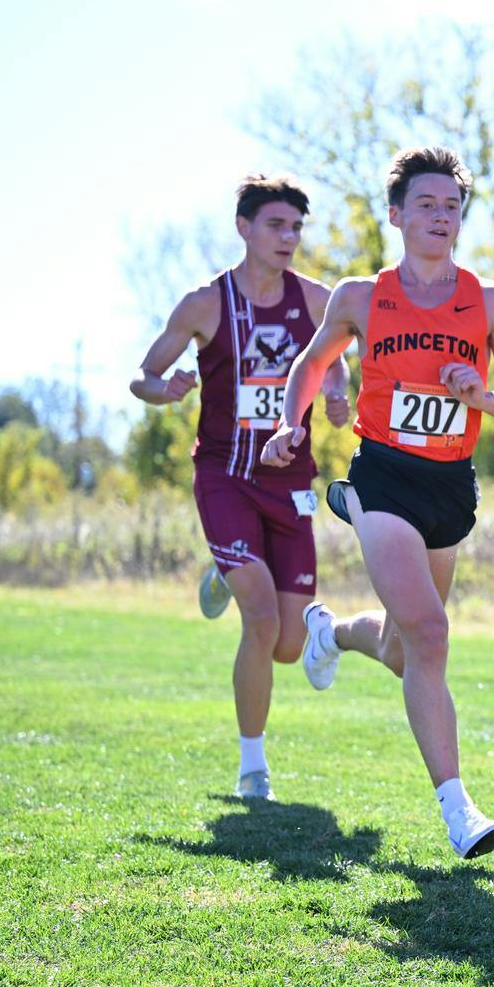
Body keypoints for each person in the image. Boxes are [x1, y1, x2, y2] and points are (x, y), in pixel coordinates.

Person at [262, 146, 494, 858]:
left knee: (400, 646)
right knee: (432, 634)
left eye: (452, 206)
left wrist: (481, 396)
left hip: (450, 484)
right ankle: (459, 808)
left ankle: (332, 632)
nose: (441, 217)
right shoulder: (361, 296)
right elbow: (310, 363)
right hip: (381, 478)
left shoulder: (491, 302)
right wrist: (293, 423)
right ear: (397, 214)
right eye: (426, 205)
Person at [131, 175, 350, 799]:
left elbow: (336, 360)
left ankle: (221, 573)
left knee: (286, 644)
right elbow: (143, 375)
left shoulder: (315, 299)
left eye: (296, 228)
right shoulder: (205, 303)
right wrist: (164, 388)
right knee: (258, 620)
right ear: (244, 227)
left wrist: (335, 394)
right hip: (225, 477)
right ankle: (253, 768)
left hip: (292, 483)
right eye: (276, 226)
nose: (288, 238)